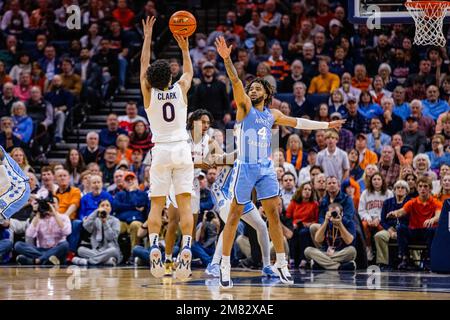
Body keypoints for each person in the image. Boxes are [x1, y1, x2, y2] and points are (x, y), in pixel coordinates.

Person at [215, 35, 344, 288]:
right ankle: (224, 265)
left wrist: (327, 124)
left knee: (273, 214)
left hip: (264, 167)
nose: (252, 90)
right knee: (233, 217)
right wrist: (228, 59)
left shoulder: (272, 114)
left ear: (267, 93)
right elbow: (235, 79)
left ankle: (281, 263)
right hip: (244, 167)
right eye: (251, 88)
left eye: (257, 88)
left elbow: (298, 123)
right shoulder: (244, 108)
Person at [140, 17, 194, 280]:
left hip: (160, 150)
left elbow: (142, 66)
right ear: (171, 76)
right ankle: (186, 248)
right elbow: (189, 72)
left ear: (150, 79)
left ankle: (153, 245)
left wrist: (148, 36)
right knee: (184, 204)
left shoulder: (148, 93)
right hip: (182, 149)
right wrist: (184, 48)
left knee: (156, 204)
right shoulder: (181, 90)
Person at [206, 152, 276, 278]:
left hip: (240, 194)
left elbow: (255, 185)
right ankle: (214, 264)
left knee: (261, 226)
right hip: (222, 191)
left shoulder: (258, 160)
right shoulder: (242, 151)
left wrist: (256, 203)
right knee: (229, 223)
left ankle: (266, 266)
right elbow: (226, 157)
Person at [387, 176, 442, 270]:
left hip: (426, 232)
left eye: (425, 186)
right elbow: (401, 211)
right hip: (414, 231)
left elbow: (438, 215)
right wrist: (394, 213)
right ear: (417, 188)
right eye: (420, 186)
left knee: (433, 230)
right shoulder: (412, 202)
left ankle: (428, 259)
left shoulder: (436, 202)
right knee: (401, 228)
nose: (422, 189)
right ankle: (405, 258)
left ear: (430, 188)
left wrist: (432, 219)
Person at [15, 196, 71, 266]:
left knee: (65, 245)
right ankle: (47, 259)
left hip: (57, 249)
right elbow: (29, 234)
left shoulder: (64, 217)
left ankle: (36, 261)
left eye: (53, 203)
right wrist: (38, 212)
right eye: (49, 204)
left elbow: (67, 232)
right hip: (41, 249)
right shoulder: (39, 218)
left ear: (58, 205)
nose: (51, 205)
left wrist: (54, 213)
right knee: (18, 245)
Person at [304, 203, 357, 270]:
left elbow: (349, 241)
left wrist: (340, 224)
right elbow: (318, 239)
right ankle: (339, 266)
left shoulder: (349, 223)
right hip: (326, 252)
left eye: (337, 214)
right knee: (307, 251)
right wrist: (326, 221)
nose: (334, 216)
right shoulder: (327, 222)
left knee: (352, 251)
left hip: (341, 253)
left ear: (342, 214)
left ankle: (320, 263)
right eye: (332, 214)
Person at [72, 199, 121, 266]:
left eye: (107, 205)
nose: (105, 207)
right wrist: (96, 212)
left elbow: (110, 237)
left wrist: (105, 222)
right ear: (99, 208)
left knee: (113, 250)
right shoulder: (95, 220)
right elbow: (85, 225)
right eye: (102, 205)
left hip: (109, 250)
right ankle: (106, 261)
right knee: (80, 250)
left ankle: (88, 261)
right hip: (96, 250)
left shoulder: (115, 221)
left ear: (110, 208)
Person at [375, 180, 410, 269]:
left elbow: (411, 219)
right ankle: (383, 263)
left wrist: (399, 230)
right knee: (379, 236)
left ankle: (409, 260)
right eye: (397, 188)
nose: (400, 190)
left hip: (404, 229)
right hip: (390, 228)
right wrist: (390, 230)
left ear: (407, 190)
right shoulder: (387, 202)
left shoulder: (410, 202)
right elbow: (382, 220)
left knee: (405, 234)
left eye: (403, 188)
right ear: (394, 190)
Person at [358, 173, 393, 261]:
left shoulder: (388, 193)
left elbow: (389, 211)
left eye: (378, 179)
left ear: (382, 181)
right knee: (364, 226)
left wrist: (379, 219)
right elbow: (361, 210)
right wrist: (368, 218)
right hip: (369, 218)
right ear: (371, 181)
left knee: (382, 228)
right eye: (374, 179)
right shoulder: (365, 193)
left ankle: (381, 253)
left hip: (383, 219)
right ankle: (368, 248)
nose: (376, 181)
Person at [286, 181, 319, 268]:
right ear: (300, 191)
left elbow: (317, 220)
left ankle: (304, 259)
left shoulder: (314, 204)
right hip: (296, 225)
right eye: (305, 189)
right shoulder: (294, 203)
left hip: (307, 227)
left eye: (309, 190)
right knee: (294, 232)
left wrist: (310, 224)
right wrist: (293, 224)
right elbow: (288, 217)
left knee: (303, 233)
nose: (307, 191)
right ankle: (292, 259)